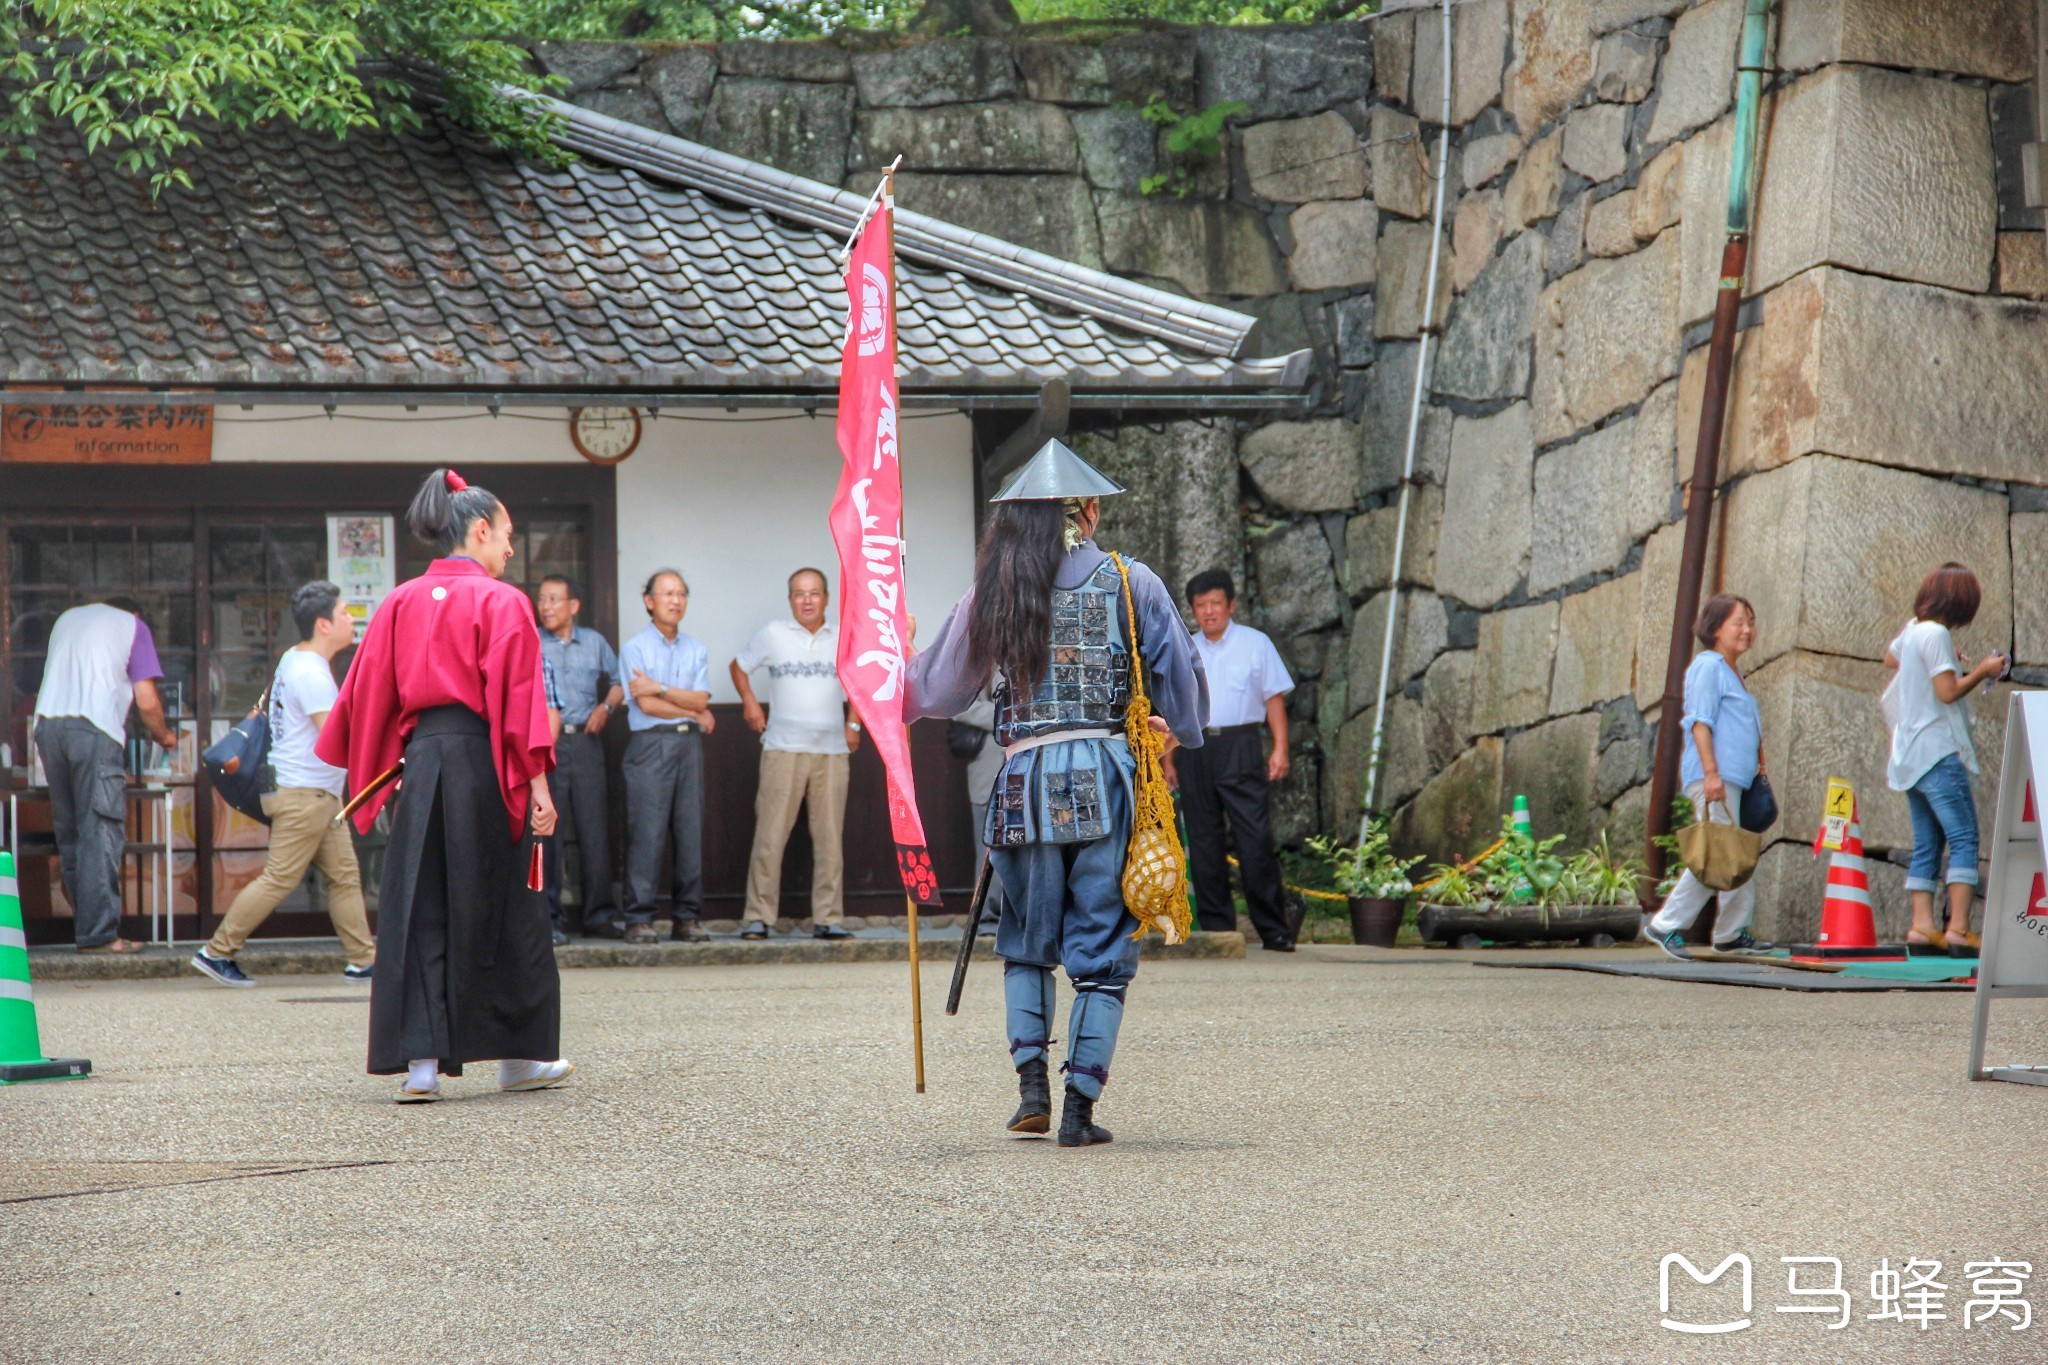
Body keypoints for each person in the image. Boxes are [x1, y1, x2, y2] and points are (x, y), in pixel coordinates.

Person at [906, 438, 1206, 1148]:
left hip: (1022, 786)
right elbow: (1184, 690)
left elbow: (936, 688)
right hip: (1107, 780)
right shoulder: (1135, 583)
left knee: (1025, 942)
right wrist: (1176, 728)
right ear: (1090, 513)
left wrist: (890, 660)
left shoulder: (995, 591)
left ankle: (1030, 1090)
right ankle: (1079, 1106)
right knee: (1102, 944)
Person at [317, 467, 570, 1103]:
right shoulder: (502, 602)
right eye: (507, 534)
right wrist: (539, 788)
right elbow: (519, 705)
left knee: (419, 910)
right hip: (488, 766)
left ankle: (421, 1065)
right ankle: (516, 1057)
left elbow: (368, 695)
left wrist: (379, 776)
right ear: (480, 530)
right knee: (509, 906)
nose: (511, 548)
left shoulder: (399, 601)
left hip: (424, 766)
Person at [190, 582, 375, 985]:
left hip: (314, 793)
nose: (351, 620)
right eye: (345, 613)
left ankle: (363, 960)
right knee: (280, 878)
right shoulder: (311, 672)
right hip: (304, 794)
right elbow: (334, 737)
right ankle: (216, 952)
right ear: (324, 625)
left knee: (343, 877)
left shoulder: (295, 659)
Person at [32, 598, 180, 953]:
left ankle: (87, 931)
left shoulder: (67, 618)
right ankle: (99, 936)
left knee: (72, 836)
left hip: (47, 728)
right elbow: (147, 701)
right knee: (100, 831)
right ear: (136, 614)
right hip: (94, 729)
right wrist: (164, 736)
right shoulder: (134, 627)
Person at [730, 568, 861, 941]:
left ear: (826, 598)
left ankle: (828, 918)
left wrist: (853, 724)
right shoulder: (773, 634)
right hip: (782, 749)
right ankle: (758, 917)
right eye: (799, 594)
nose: (807, 600)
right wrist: (750, 703)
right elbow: (738, 667)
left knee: (829, 838)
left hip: (831, 751)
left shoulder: (842, 637)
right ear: (790, 600)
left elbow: (859, 685)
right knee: (770, 835)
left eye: (814, 593)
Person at [1172, 568, 1297, 952]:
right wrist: (1167, 762)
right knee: (1205, 842)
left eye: (1215, 603)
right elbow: (1176, 707)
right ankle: (1217, 932)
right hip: (1194, 748)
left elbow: (1273, 698)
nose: (1208, 612)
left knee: (1254, 838)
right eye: (1200, 605)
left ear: (1231, 605)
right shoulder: (1185, 647)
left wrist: (1280, 747)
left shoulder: (1255, 644)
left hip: (1242, 745)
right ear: (1192, 610)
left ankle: (1274, 930)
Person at [1885, 563, 2006, 955]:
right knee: (1964, 837)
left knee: (1927, 842)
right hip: (1938, 752)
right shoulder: (1935, 633)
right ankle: (1958, 928)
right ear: (1961, 602)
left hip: (1908, 757)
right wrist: (1984, 670)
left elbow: (1891, 660)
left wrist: (1940, 654)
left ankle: (1921, 928)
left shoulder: (1913, 630)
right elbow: (1948, 692)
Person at [1647, 593, 1771, 960]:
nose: (1747, 630)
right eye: (1738, 622)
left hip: (1736, 779)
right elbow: (1700, 724)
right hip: (1714, 777)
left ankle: (1731, 933)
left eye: (1750, 621)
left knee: (1737, 855)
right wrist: (1712, 774)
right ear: (1716, 628)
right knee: (1717, 856)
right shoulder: (1708, 666)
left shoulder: (1733, 671)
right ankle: (1665, 924)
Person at [620, 568, 715, 945]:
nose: (675, 601)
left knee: (690, 831)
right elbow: (645, 705)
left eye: (681, 594)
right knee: (647, 831)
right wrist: (691, 711)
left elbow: (702, 699)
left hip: (688, 747)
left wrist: (661, 688)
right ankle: (639, 918)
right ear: (649, 601)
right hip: (650, 746)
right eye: (667, 594)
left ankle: (686, 918)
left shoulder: (696, 649)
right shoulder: (635, 648)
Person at [535, 575, 624, 939]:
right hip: (546, 746)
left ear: (574, 606)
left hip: (586, 743)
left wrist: (605, 707)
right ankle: (549, 919)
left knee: (592, 829)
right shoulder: (531, 642)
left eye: (554, 599)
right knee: (547, 832)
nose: (546, 607)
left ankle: (599, 916)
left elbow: (619, 683)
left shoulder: (596, 643)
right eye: (542, 600)